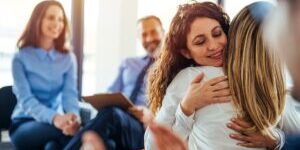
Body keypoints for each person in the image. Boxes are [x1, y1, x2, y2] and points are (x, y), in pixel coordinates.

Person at [146, 1, 300, 150]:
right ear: (186, 52)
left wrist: (275, 139)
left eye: (217, 34)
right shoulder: (190, 80)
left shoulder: (258, 78)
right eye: (200, 42)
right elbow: (154, 144)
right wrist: (187, 107)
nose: (213, 46)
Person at [64, 15, 164, 150]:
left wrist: (151, 116)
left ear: (163, 32)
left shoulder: (170, 68)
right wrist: (104, 99)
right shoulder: (129, 63)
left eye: (153, 32)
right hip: (117, 119)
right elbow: (111, 92)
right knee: (107, 141)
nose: (149, 38)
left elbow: (171, 109)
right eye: (143, 34)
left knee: (111, 114)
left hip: (142, 128)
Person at [9, 1, 81, 149]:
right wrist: (55, 118)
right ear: (37, 20)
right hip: (24, 124)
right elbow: (26, 100)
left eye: (60, 19)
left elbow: (69, 96)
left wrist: (74, 118)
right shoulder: (20, 57)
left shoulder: (68, 58)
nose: (57, 23)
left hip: (58, 123)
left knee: (52, 147)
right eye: (51, 17)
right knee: (66, 134)